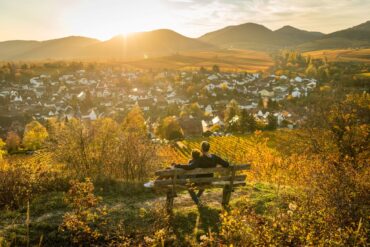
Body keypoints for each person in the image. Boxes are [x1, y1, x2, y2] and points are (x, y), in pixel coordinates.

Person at [174, 141, 229, 206]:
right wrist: (218, 165)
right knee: (194, 183)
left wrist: (178, 165)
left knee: (189, 185)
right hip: (209, 181)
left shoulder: (200, 158)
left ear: (201, 149)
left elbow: (191, 167)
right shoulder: (214, 157)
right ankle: (197, 198)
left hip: (199, 181)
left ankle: (197, 202)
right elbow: (226, 164)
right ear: (209, 148)